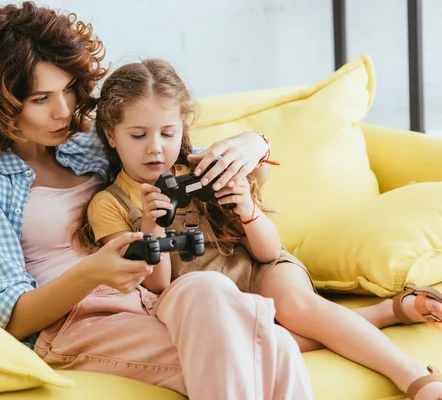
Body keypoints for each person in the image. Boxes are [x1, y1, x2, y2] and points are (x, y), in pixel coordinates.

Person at [0, 3, 313, 399]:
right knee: (271, 347)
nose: (63, 111)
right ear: (3, 102)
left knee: (209, 289)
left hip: (153, 299)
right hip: (79, 322)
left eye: (67, 89)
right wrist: (92, 273)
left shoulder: (87, 145)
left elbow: (195, 163)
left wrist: (254, 142)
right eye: (40, 98)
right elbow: (9, 317)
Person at [80, 58, 442, 400]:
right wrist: (151, 227)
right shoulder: (108, 204)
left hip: (256, 267)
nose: (155, 148)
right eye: (138, 135)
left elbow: (268, 252)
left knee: (297, 305)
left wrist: (248, 209)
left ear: (183, 129)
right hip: (202, 301)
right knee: (264, 339)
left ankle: (414, 377)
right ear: (112, 135)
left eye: (168, 132)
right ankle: (384, 313)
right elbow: (157, 287)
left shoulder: (205, 167)